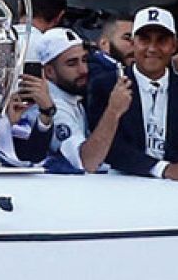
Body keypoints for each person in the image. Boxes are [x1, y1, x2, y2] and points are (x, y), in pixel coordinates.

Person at [87, 6, 178, 182]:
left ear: (174, 45)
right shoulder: (106, 85)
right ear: (133, 43)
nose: (152, 48)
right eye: (144, 40)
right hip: (122, 187)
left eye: (161, 40)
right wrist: (165, 169)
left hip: (175, 191)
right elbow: (109, 148)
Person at [30, 26, 131, 172]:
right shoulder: (53, 107)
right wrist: (113, 110)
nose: (83, 69)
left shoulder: (70, 94)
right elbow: (86, 162)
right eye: (72, 63)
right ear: (49, 72)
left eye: (84, 60)